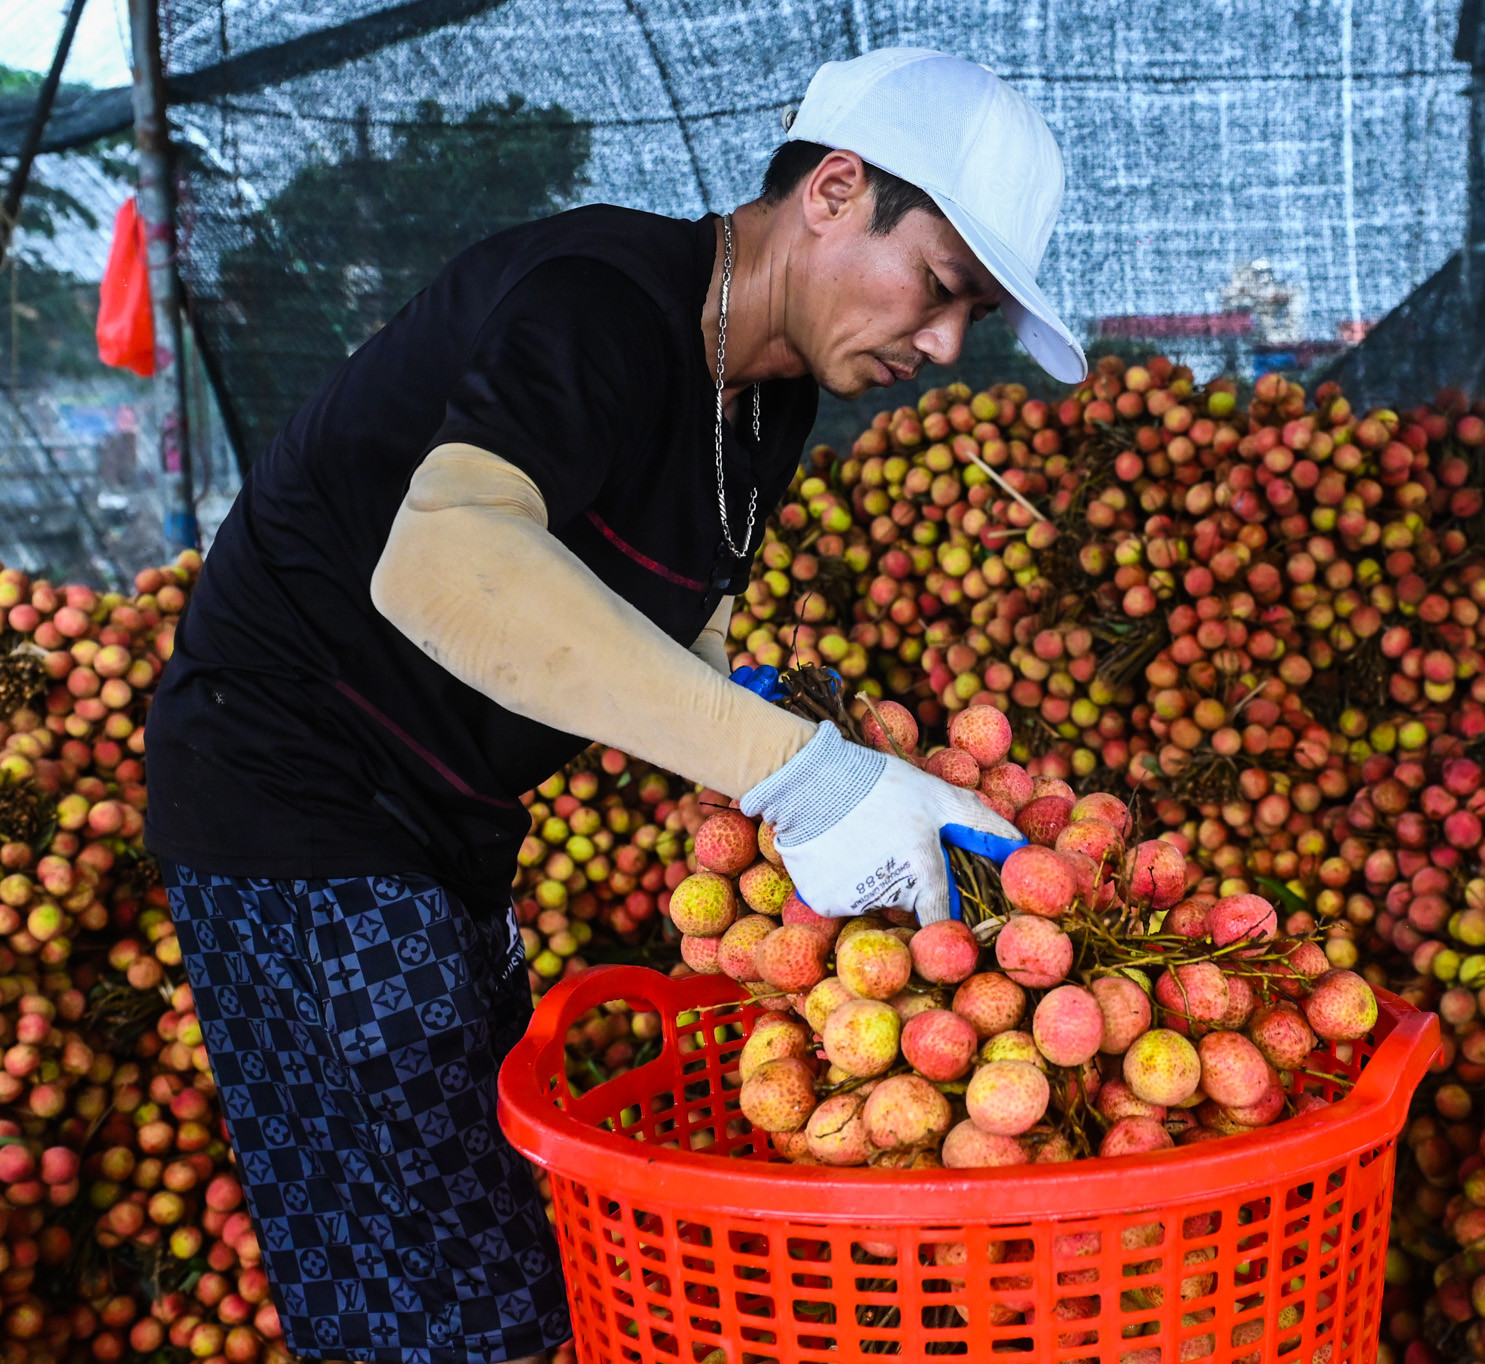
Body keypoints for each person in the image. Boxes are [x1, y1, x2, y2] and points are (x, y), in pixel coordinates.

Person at [142, 47, 1085, 1364]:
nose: (940, 346)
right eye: (939, 287)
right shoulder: (596, 300)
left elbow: (654, 638)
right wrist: (795, 772)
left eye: (968, 317)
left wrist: (825, 776)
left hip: (449, 828)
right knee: (443, 1310)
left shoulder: (766, 406)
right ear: (833, 189)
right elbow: (447, 560)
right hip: (298, 794)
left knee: (492, 1239)